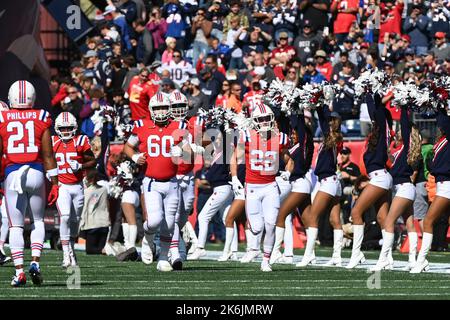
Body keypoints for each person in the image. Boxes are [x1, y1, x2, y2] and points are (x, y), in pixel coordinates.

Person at [0, 81, 59, 286]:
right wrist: (56, 183)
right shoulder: (41, 116)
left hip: (12, 173)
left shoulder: (2, 117)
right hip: (35, 172)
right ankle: (35, 262)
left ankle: (19, 272)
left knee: (15, 225)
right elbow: (48, 154)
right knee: (38, 221)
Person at [123, 94, 190, 272]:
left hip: (173, 182)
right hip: (152, 181)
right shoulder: (141, 126)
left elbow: (190, 153)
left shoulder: (179, 126)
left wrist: (182, 151)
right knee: (154, 221)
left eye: (163, 108)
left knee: (169, 223)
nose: (160, 112)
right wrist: (135, 156)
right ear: (151, 110)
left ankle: (162, 258)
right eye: (157, 108)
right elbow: (127, 147)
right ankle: (147, 238)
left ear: (169, 109)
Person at [234, 103, 289, 271]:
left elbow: (289, 160)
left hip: (270, 185)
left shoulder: (280, 137)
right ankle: (255, 249)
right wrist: (235, 177)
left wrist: (287, 171)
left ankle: (266, 260)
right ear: (255, 121)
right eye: (261, 119)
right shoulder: (247, 136)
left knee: (271, 223)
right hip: (252, 187)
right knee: (257, 228)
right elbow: (235, 158)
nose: (265, 122)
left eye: (267, 119)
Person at [371, 105, 422, 271]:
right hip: (405, 189)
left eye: (402, 130)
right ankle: (413, 261)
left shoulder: (407, 147)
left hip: (404, 189)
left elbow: (405, 125)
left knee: (389, 222)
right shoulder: (402, 150)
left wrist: (403, 108)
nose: (399, 131)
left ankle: (383, 259)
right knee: (410, 225)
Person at [347, 93, 393, 269]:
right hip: (381, 178)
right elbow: (375, 110)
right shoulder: (377, 135)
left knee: (356, 213)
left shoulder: (382, 129)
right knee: (383, 218)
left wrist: (369, 93)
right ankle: (387, 258)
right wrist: (367, 93)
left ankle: (356, 254)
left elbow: (377, 109)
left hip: (380, 178)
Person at [298, 107, 344, 267]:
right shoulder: (332, 138)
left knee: (312, 218)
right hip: (333, 181)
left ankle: (309, 255)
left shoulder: (332, 136)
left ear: (337, 122)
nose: (329, 122)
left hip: (328, 182)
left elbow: (323, 121)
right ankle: (337, 256)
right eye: (329, 119)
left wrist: (320, 104)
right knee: (334, 219)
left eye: (333, 120)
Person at [270, 109, 314, 265]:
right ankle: (310, 254)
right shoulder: (293, 147)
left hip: (300, 184)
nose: (293, 135)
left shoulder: (303, 145)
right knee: (308, 219)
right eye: (292, 133)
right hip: (297, 184)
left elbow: (299, 126)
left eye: (295, 133)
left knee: (281, 216)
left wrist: (296, 109)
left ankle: (275, 252)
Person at [53, 112, 96, 267]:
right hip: (62, 186)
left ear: (74, 128)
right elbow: (45, 159)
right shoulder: (53, 142)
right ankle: (66, 253)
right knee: (64, 217)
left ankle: (71, 248)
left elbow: (93, 161)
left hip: (77, 186)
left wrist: (81, 166)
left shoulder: (81, 140)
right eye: (62, 128)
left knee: (74, 221)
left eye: (68, 128)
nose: (65, 131)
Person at [411, 107, 450, 273]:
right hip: (442, 185)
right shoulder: (440, 143)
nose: (439, 128)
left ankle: (421, 260)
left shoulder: (448, 139)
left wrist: (441, 102)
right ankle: (422, 260)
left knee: (427, 221)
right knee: (432, 221)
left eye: (441, 126)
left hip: (447, 186)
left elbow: (444, 121)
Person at [79, 169, 110, 255]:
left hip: (92, 224)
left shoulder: (86, 192)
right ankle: (106, 250)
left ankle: (109, 251)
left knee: (90, 250)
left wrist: (81, 225)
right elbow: (107, 205)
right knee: (100, 249)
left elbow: (85, 209)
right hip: (104, 223)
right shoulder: (104, 190)